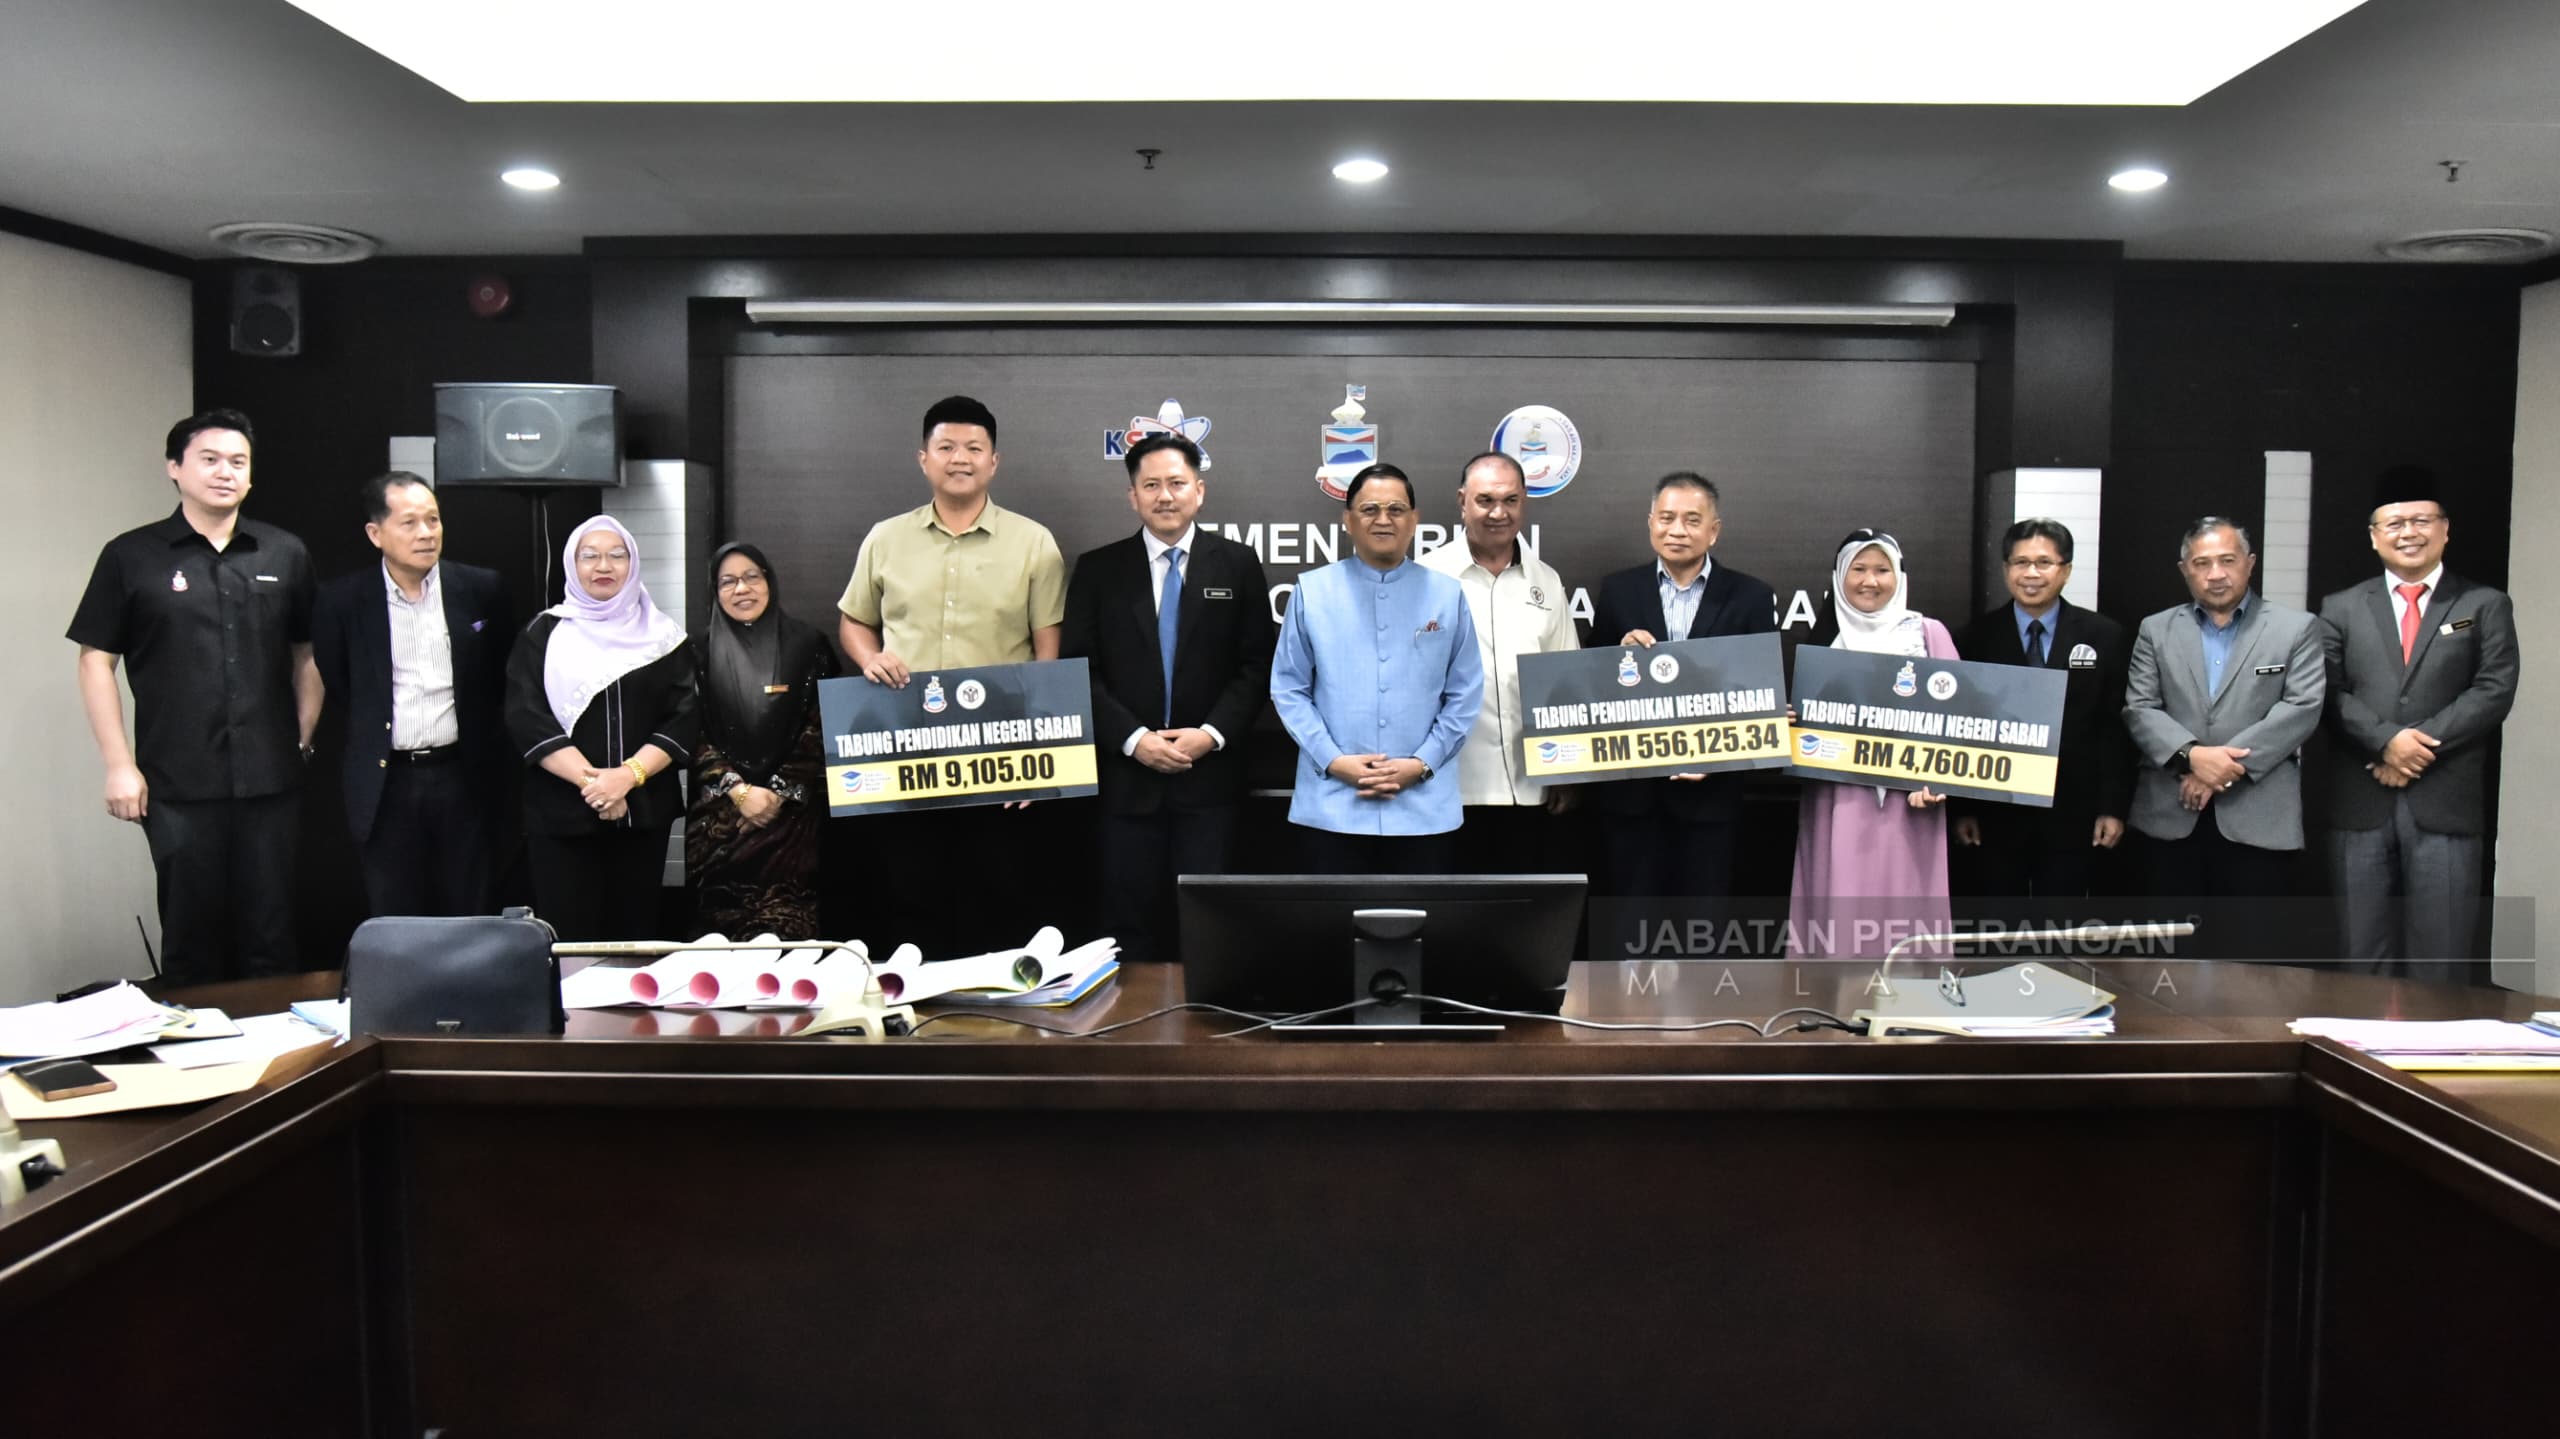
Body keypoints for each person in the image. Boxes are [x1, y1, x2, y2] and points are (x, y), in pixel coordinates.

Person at [68, 409, 320, 983]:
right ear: (175, 468)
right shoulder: (131, 555)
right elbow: (95, 661)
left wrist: (303, 736)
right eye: (209, 460)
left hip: (270, 779)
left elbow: (307, 652)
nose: (225, 472)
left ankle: (273, 1041)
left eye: (238, 462)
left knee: (272, 936)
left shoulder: (284, 552)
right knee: (190, 939)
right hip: (177, 782)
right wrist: (119, 766)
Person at [835, 395, 1067, 954]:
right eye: (946, 447)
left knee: (997, 894)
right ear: (924, 459)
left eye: (973, 448)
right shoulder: (885, 538)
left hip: (996, 753)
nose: (959, 458)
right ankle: (916, 1002)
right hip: (904, 750)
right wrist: (869, 657)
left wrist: (1038, 757)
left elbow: (1048, 655)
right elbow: (854, 622)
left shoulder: (1034, 542)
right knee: (909, 894)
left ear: (994, 461)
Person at [1060, 434, 1274, 964]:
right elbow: (1078, 670)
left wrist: (1211, 735)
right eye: (1151, 485)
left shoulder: (1237, 564)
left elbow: (1257, 665)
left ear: (1199, 491)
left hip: (1211, 785)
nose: (1165, 495)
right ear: (1132, 496)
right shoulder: (1099, 569)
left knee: (1209, 928)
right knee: (1126, 929)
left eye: (1176, 483)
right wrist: (1134, 739)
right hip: (1125, 785)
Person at [2317, 467, 2518, 976]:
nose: (2409, 532)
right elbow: (2327, 692)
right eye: (2395, 523)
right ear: (2373, 536)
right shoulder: (2340, 607)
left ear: (2445, 530)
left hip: (2445, 803)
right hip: (2362, 803)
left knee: (2442, 960)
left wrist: (2413, 747)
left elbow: (2493, 690)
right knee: (2361, 955)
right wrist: (2386, 742)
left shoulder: (2483, 604)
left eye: (2422, 521)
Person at [311, 472, 515, 918]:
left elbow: (498, 677)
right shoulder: (342, 601)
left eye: (433, 519)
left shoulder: (481, 589)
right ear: (375, 533)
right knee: (396, 912)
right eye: (409, 523)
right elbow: (342, 682)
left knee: (471, 908)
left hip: (464, 774)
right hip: (388, 780)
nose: (426, 533)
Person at [2123, 518, 2324, 953]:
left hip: (2258, 817)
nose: (2216, 574)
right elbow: (2140, 708)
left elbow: (2301, 708)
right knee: (2167, 959)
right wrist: (2192, 757)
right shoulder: (2156, 629)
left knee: (2251, 957)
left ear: (2249, 563)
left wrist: (2220, 770)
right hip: (2170, 816)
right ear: (2185, 570)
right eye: (2202, 563)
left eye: (2227, 561)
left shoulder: (2295, 628)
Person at [1270, 462, 1482, 873]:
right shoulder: (1312, 591)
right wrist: (1334, 760)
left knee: (1422, 916)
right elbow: (1288, 689)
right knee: (1332, 916)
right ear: (1347, 520)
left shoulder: (1447, 594)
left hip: (1425, 808)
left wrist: (1421, 763)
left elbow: (1465, 693)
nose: (1383, 519)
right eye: (1369, 509)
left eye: (1396, 509)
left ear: (1414, 520)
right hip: (1331, 806)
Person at [1584, 472, 1778, 904]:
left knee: (1700, 925)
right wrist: (1617, 655)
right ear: (1650, 522)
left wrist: (1718, 755)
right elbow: (1591, 683)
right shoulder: (1618, 590)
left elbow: (1761, 697)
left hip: (1710, 800)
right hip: (1632, 796)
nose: (1677, 530)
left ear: (1714, 530)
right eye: (1667, 517)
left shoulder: (1751, 597)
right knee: (1630, 923)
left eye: (1692, 520)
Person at [504, 517, 698, 942]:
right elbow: (526, 716)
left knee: (636, 934)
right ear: (572, 565)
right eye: (589, 556)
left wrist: (627, 777)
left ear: (633, 562)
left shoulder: (665, 637)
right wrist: (596, 785)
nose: (603, 566)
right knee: (570, 938)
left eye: (617, 555)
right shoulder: (542, 634)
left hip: (643, 813)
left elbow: (684, 717)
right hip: (561, 815)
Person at [1787, 531, 1956, 958]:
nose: (1870, 581)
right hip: (1837, 801)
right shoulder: (1823, 640)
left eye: (1882, 570)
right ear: (1840, 576)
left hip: (1910, 806)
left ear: (1899, 576)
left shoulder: (1928, 634)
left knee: (1906, 910)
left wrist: (1937, 780)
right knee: (1840, 908)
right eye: (1858, 569)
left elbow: (1959, 722)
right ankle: (1837, 996)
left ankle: (1912, 995)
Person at [1950, 518, 2132, 899]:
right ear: (2006, 569)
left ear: (2066, 570)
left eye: (2044, 563)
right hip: (1997, 814)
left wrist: (2112, 807)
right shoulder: (1974, 637)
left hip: (2075, 811)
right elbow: (1962, 728)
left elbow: (2115, 730)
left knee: (2062, 918)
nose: (2031, 574)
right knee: (2000, 918)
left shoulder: (2104, 636)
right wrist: (1964, 809)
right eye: (2020, 562)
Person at [1417, 451, 1580, 873]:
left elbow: (1565, 680)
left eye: (1510, 500)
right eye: (1485, 500)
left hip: (1529, 792)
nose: (1498, 513)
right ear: (1462, 501)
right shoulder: (1425, 578)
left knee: (1518, 908)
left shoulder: (1547, 581)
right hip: (1447, 789)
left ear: (1524, 502)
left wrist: (1566, 769)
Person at [689, 542, 840, 940]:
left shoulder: (808, 645)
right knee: (718, 945)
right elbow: (689, 731)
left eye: (752, 577)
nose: (742, 589)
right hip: (721, 825)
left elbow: (822, 724)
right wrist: (738, 791)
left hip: (793, 824)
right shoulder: (696, 651)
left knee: (789, 939)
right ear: (715, 591)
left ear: (769, 581)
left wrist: (778, 792)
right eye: (728, 581)